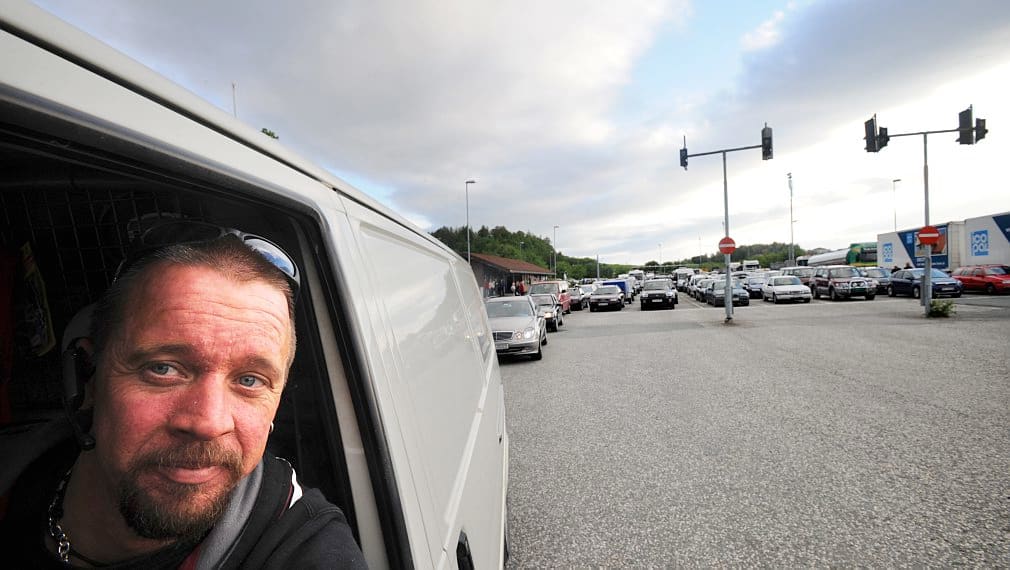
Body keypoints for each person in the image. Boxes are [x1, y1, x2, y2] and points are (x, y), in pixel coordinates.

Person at [0, 222, 366, 568]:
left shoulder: (303, 547)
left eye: (250, 380)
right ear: (88, 379)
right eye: (164, 369)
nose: (208, 423)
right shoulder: (14, 468)